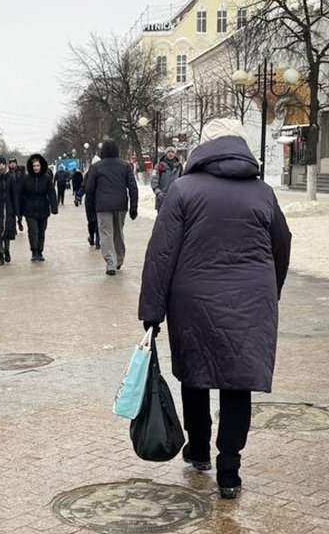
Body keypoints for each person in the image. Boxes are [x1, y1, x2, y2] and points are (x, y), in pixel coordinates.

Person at [137, 119, 292, 500]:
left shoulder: (183, 190)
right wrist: (269, 294)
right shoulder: (263, 193)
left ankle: (200, 448)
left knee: (196, 373)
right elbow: (282, 246)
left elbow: (162, 254)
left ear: (201, 148)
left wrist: (152, 311)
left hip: (193, 300)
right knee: (238, 382)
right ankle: (230, 468)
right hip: (251, 300)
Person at [84, 140, 139, 276]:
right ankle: (119, 259)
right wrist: (133, 206)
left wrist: (89, 210)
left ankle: (110, 263)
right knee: (118, 232)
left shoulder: (97, 167)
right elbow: (133, 187)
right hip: (121, 205)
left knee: (106, 234)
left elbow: (90, 189)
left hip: (102, 206)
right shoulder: (125, 166)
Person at [18, 153, 59, 262]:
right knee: (33, 230)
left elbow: (51, 193)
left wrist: (54, 207)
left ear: (41, 166)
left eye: (37, 165)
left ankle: (40, 251)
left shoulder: (46, 179)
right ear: (31, 167)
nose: (36, 168)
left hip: (43, 208)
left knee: (41, 230)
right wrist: (20, 210)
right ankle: (34, 251)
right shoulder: (26, 179)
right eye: (34, 166)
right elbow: (21, 194)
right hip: (29, 209)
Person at [151, 146, 183, 211]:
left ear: (175, 154)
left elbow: (183, 181)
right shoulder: (159, 165)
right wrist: (158, 192)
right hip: (162, 198)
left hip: (175, 198)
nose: (170, 154)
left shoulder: (179, 166)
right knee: (162, 219)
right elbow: (154, 180)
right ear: (165, 153)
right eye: (168, 152)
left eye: (172, 152)